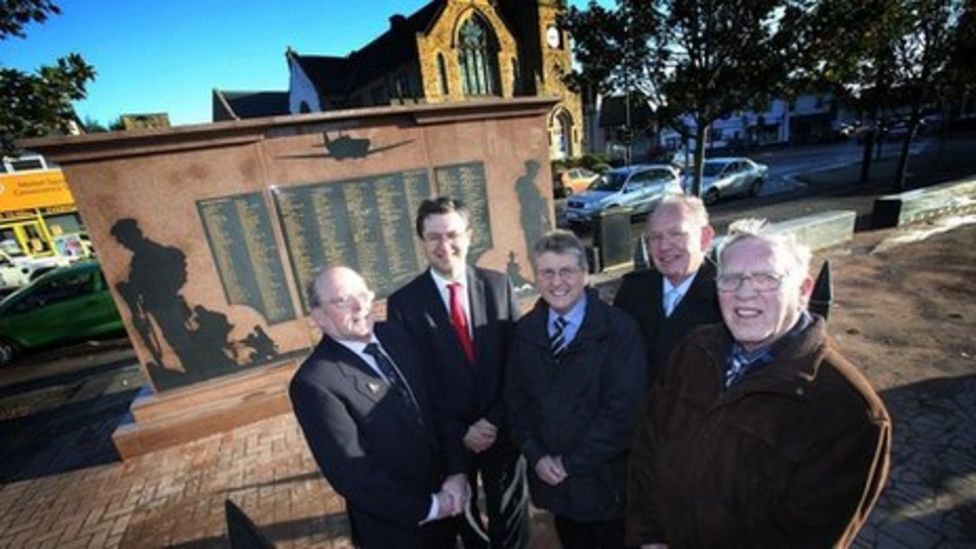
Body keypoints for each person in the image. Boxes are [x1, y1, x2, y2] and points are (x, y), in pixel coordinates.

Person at [625, 227, 892, 548]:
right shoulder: (694, 349)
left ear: (804, 290)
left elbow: (808, 537)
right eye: (731, 278)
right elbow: (647, 449)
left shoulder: (849, 411)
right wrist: (647, 538)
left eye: (766, 277)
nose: (745, 292)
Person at [290, 266, 467, 549]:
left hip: (451, 501)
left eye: (361, 294)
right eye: (341, 301)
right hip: (399, 531)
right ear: (319, 317)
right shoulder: (315, 383)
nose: (359, 306)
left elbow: (439, 406)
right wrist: (431, 507)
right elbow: (353, 473)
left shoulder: (399, 335)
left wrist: (457, 472)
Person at [388, 197, 529, 549]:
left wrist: (493, 420)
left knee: (510, 517)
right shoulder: (404, 304)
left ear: (468, 235)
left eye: (452, 234)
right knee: (463, 517)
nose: (444, 246)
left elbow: (517, 363)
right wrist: (460, 431)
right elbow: (413, 385)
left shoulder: (499, 285)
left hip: (503, 427)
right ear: (421, 241)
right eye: (433, 237)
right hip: (449, 437)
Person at [506, 230, 646, 549]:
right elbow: (516, 402)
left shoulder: (618, 330)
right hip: (555, 488)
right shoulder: (526, 331)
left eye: (567, 271)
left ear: (585, 274)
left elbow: (622, 413)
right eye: (547, 272)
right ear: (535, 276)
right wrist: (537, 456)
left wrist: (570, 464)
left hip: (605, 486)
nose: (557, 282)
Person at [613, 195, 721, 385]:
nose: (664, 246)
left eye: (676, 234)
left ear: (704, 237)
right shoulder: (632, 291)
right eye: (655, 237)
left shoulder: (726, 297)